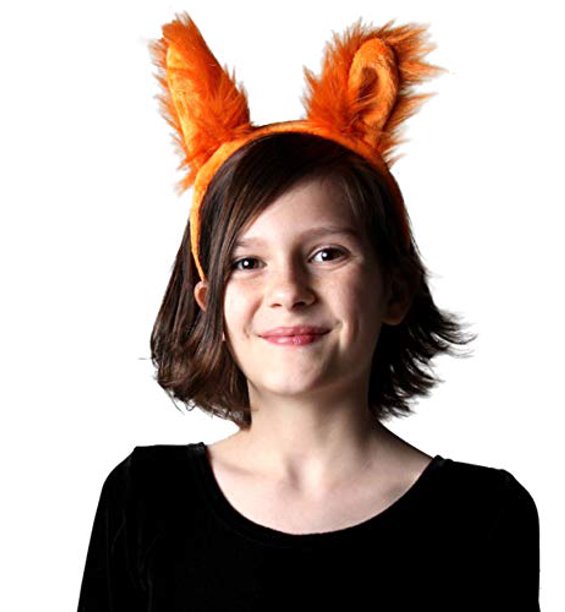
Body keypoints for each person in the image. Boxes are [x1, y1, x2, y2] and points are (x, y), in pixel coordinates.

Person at [76, 12, 540, 611]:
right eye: (248, 262)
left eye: (327, 254)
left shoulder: (483, 516)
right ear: (210, 305)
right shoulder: (144, 501)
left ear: (395, 290)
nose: (288, 290)